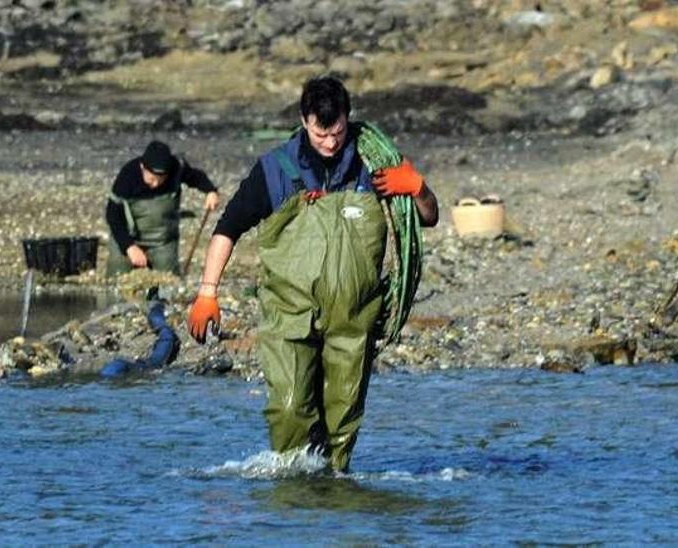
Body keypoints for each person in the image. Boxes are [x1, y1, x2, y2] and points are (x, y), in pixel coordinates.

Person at [186, 76, 438, 473]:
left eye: (338, 131)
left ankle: (333, 497)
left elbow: (427, 219)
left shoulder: (373, 167)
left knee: (342, 424)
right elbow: (227, 229)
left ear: (347, 120)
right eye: (321, 133)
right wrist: (207, 293)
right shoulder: (275, 170)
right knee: (289, 409)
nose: (331, 142)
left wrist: (417, 186)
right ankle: (292, 501)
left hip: (353, 321)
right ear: (304, 121)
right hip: (289, 314)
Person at [105, 141, 220, 276]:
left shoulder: (177, 168)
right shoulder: (127, 175)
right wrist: (129, 247)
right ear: (142, 167)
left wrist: (210, 191)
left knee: (167, 283)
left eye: (161, 179)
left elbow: (195, 177)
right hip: (128, 237)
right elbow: (113, 215)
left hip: (163, 242)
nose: (156, 184)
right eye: (151, 178)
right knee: (117, 279)